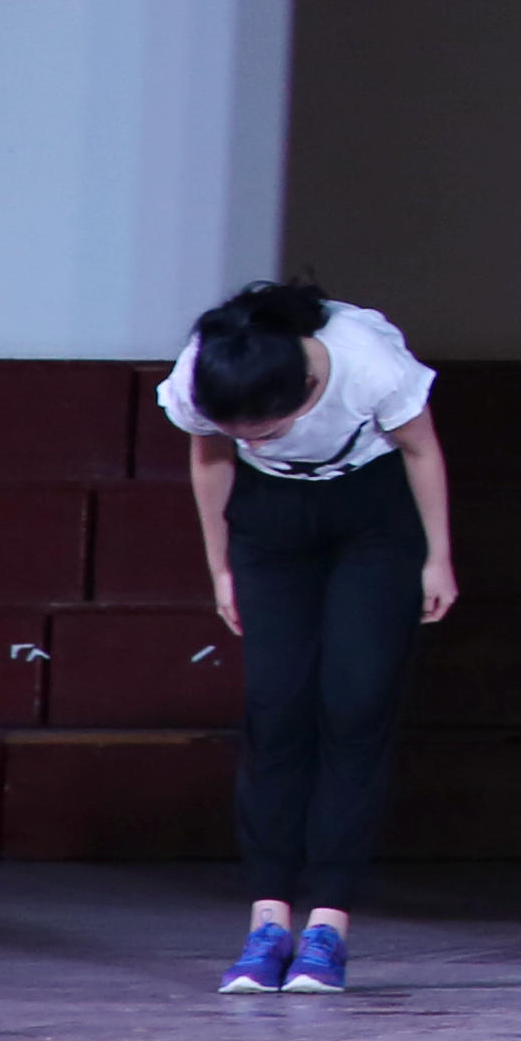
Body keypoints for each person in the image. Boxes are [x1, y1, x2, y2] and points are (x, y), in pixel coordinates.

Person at [162, 279, 456, 994]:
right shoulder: (208, 366)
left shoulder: (365, 360)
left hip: (371, 516)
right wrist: (220, 567)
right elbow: (209, 459)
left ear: (307, 389)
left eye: (266, 430)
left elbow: (420, 449)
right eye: (242, 431)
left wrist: (437, 556)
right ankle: (267, 924)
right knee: (276, 707)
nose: (252, 440)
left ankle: (328, 925)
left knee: (355, 704)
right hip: (269, 524)